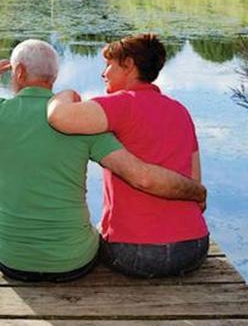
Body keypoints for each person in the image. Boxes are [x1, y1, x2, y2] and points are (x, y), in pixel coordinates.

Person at [0, 39, 206, 282]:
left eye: (109, 65)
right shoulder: (172, 113)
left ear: (18, 72)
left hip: (13, 261)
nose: (103, 73)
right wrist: (198, 192)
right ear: (53, 75)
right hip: (90, 261)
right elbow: (179, 178)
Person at [47, 33, 208, 278]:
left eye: (108, 65)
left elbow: (59, 117)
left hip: (134, 253)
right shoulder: (180, 111)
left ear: (129, 65)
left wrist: (65, 94)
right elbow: (195, 185)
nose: (103, 73)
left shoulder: (120, 104)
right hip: (194, 248)